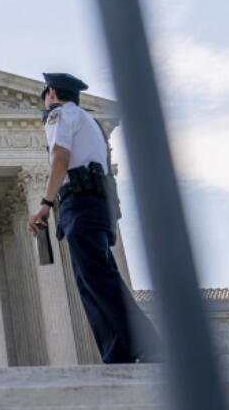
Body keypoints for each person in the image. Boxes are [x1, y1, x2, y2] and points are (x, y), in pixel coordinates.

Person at [26, 72, 159, 364]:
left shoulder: (59, 116)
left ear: (51, 94)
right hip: (99, 204)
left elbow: (60, 157)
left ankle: (148, 345)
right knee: (94, 279)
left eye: (45, 96)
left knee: (96, 278)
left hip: (81, 202)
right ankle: (119, 353)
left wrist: (46, 204)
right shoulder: (90, 121)